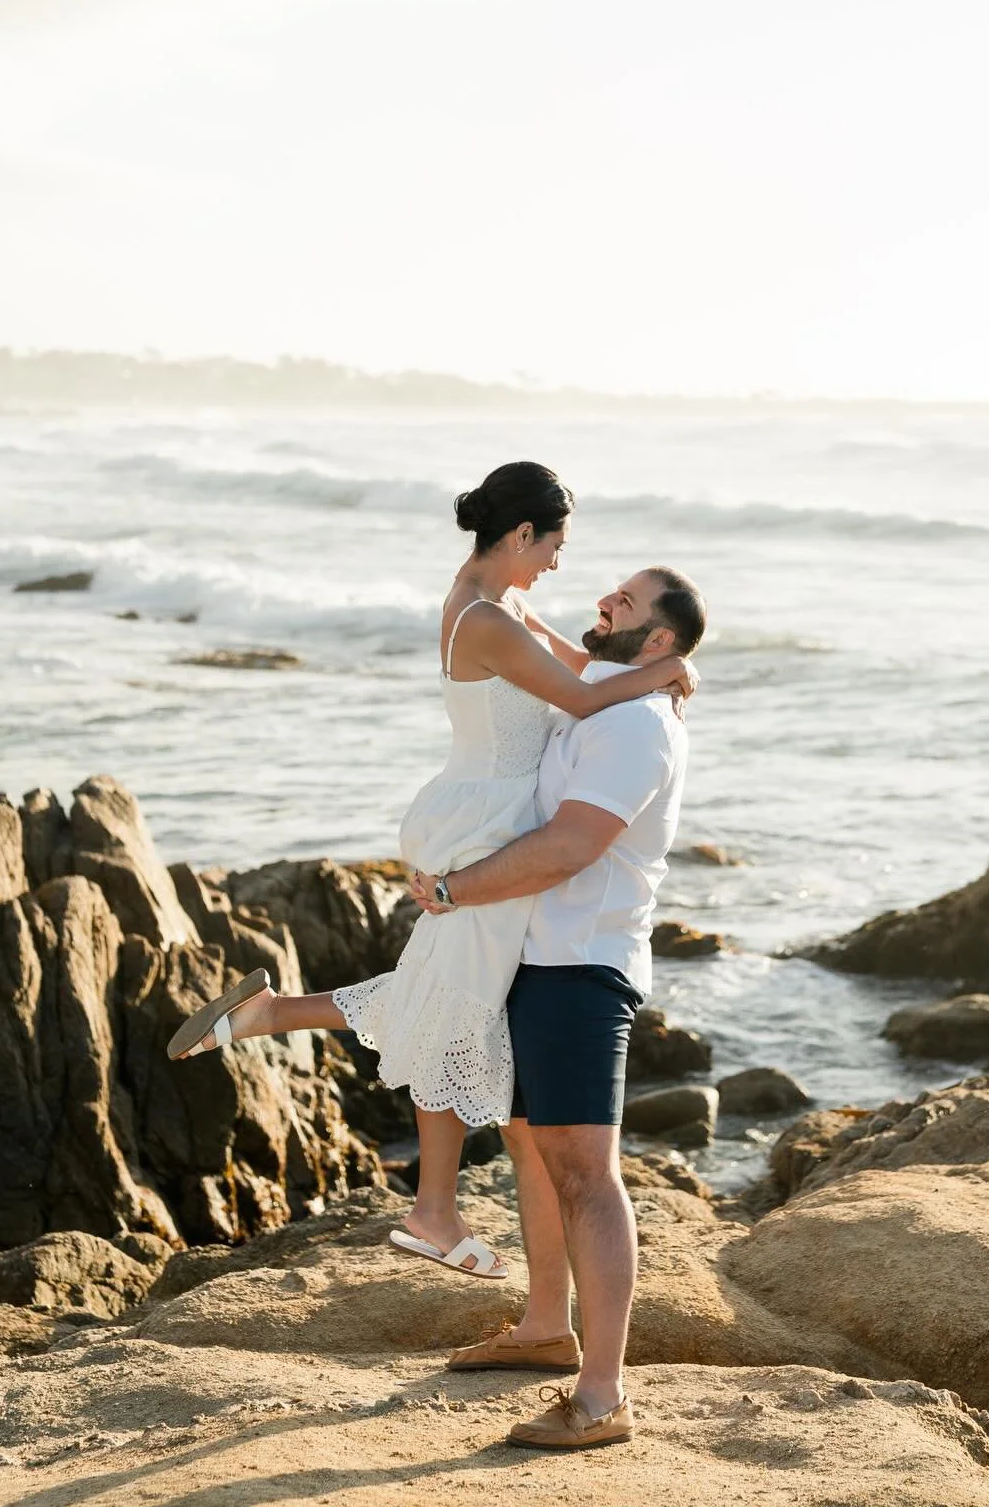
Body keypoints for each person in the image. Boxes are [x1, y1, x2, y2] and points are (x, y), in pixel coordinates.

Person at [167, 463, 695, 1282]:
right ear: (523, 535)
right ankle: (431, 1209)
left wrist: (652, 669)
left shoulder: (505, 605)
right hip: (486, 818)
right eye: (555, 544)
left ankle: (275, 1022)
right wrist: (665, 670)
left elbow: (582, 676)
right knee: (459, 997)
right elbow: (585, 701)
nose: (559, 563)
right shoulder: (484, 618)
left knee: (448, 983)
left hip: (485, 810)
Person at [413, 564, 706, 1450]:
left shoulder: (636, 730)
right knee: (531, 1154)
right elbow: (533, 630)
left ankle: (603, 1398)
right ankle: (546, 1328)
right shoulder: (602, 695)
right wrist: (491, 580)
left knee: (586, 1174)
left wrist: (456, 891)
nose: (605, 601)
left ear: (658, 641)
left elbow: (573, 846)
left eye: (627, 601)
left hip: (582, 969)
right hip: (535, 960)